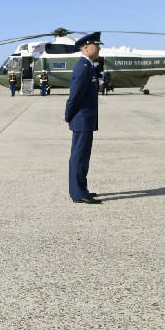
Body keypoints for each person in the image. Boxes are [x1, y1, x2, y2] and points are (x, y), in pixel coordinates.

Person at [65, 32, 103, 204]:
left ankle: (81, 189)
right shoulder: (82, 67)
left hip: (85, 119)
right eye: (97, 45)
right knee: (79, 157)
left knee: (83, 157)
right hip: (81, 119)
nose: (100, 47)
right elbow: (75, 96)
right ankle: (78, 193)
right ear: (86, 47)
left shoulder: (88, 66)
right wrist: (69, 115)